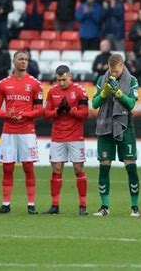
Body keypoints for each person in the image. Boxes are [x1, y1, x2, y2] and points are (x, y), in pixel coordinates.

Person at [0, 50, 43, 215]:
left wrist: (25, 115)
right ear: (14, 61)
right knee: (7, 168)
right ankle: (6, 204)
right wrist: (8, 114)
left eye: (26, 59)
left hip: (27, 132)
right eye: (20, 59)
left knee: (28, 167)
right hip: (9, 132)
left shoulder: (35, 84)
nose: (23, 62)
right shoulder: (3, 84)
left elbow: (40, 110)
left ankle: (31, 204)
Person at [91, 54, 140, 217]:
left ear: (122, 66)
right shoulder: (101, 79)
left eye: (116, 71)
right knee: (104, 166)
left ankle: (135, 207)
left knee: (131, 166)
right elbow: (95, 103)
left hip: (125, 125)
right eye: (111, 71)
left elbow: (132, 104)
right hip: (105, 126)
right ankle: (104, 207)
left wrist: (119, 93)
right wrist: (104, 93)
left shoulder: (132, 80)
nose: (113, 74)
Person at [42, 65, 89, 215]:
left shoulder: (79, 91)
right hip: (58, 137)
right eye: (59, 80)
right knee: (56, 169)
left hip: (75, 136)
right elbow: (47, 114)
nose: (61, 83)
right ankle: (55, 206)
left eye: (64, 79)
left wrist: (70, 110)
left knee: (78, 169)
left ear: (70, 76)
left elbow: (85, 113)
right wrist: (58, 111)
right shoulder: (52, 92)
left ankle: (83, 206)